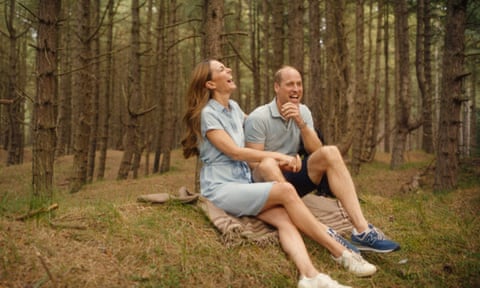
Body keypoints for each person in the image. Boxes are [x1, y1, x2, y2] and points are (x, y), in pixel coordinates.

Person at [181, 59, 377, 288]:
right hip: (221, 187)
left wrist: (291, 141)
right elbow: (234, 152)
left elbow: (256, 124)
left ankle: (310, 276)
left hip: (245, 185)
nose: (229, 70)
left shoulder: (233, 108)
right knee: (285, 190)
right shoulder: (207, 114)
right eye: (222, 69)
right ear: (210, 84)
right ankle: (341, 252)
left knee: (284, 220)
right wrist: (280, 157)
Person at [244, 65, 400, 253]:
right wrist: (282, 161)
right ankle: (315, 226)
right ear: (277, 87)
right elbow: (252, 162)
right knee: (268, 164)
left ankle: (362, 230)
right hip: (266, 183)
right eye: (290, 84)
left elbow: (317, 151)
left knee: (331, 152)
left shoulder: (304, 112)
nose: (296, 89)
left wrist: (301, 123)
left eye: (299, 84)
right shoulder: (259, 117)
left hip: (293, 177)